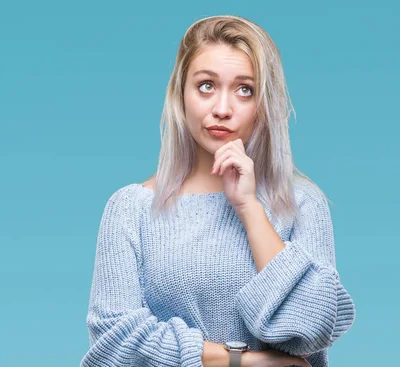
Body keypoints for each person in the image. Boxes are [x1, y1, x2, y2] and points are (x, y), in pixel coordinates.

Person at [80, 15, 356, 367]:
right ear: (181, 94)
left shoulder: (301, 203)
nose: (222, 109)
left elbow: (311, 326)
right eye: (206, 86)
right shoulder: (131, 209)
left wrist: (249, 208)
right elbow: (113, 345)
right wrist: (241, 361)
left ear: (264, 104)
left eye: (245, 90)